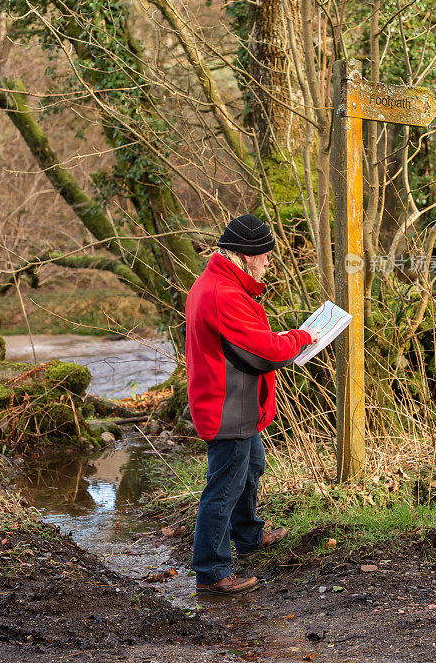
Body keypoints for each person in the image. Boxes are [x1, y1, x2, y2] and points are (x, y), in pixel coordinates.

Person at [185, 214, 318, 595]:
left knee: (252, 466)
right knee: (223, 488)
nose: (267, 264)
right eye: (263, 256)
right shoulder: (223, 293)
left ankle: (248, 536)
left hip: (231, 400)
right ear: (244, 256)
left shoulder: (218, 283)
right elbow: (267, 348)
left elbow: (250, 339)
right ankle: (212, 571)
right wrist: (303, 336)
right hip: (227, 406)